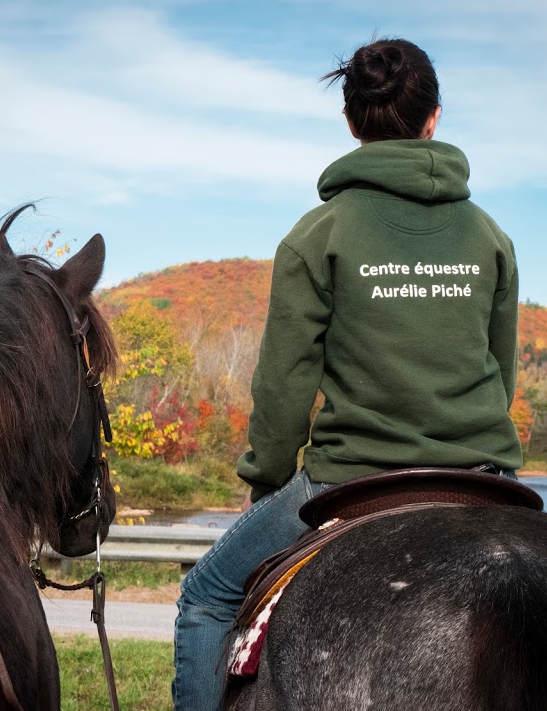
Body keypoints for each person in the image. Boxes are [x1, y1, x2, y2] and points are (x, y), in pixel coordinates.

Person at [171, 37, 523, 710]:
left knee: (206, 597)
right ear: (434, 119)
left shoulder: (317, 233)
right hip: (484, 479)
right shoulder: (489, 237)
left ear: (351, 123)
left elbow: (283, 387)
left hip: (349, 480)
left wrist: (268, 482)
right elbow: (500, 376)